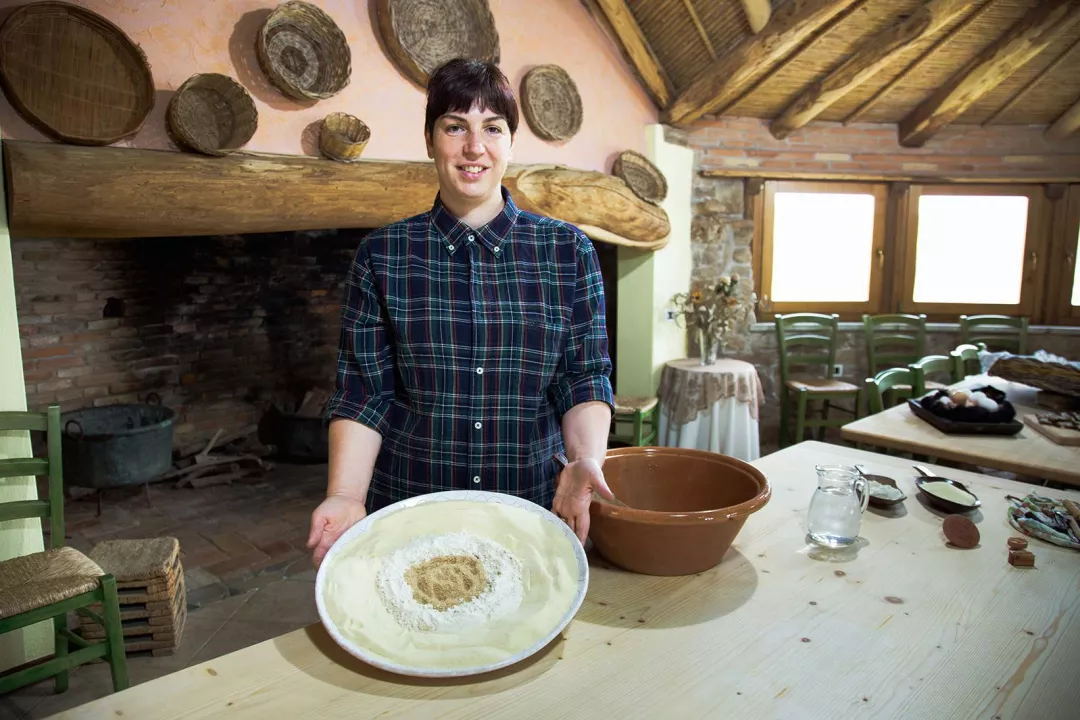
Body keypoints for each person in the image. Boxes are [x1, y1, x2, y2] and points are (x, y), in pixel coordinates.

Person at [307, 58, 616, 567]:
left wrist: (585, 460)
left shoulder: (567, 251)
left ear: (511, 142)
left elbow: (582, 378)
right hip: (408, 508)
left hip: (529, 509)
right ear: (430, 140)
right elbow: (364, 392)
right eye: (455, 127)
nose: (475, 147)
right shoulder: (382, 254)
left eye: (492, 128)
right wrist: (345, 494)